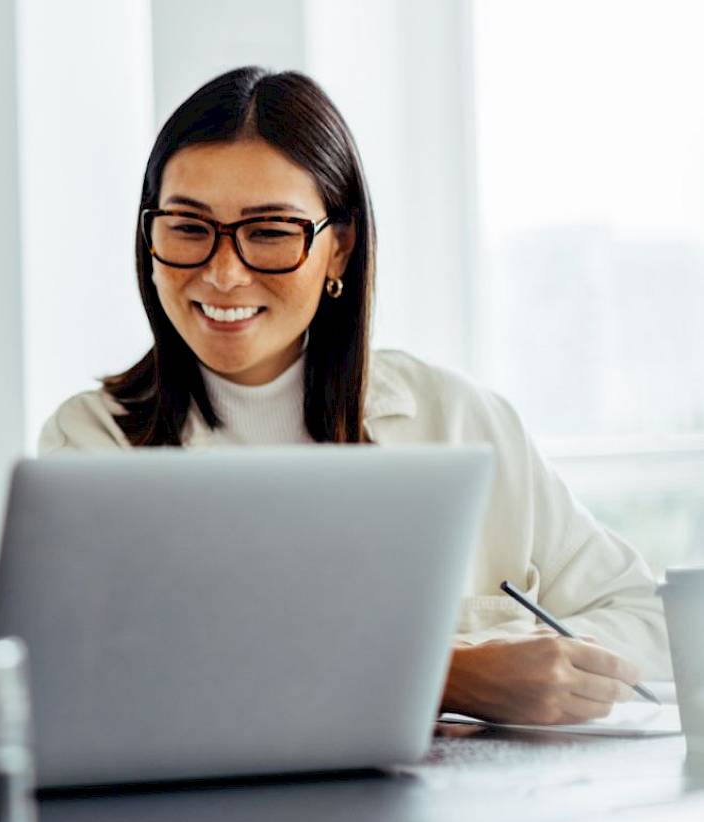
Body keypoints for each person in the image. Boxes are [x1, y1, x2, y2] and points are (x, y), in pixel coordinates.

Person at [38, 67, 665, 727]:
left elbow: (650, 622)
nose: (223, 273)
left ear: (339, 249)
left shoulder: (456, 418)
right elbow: (100, 675)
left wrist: (546, 669)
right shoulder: (91, 443)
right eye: (188, 228)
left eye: (271, 232)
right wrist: (445, 675)